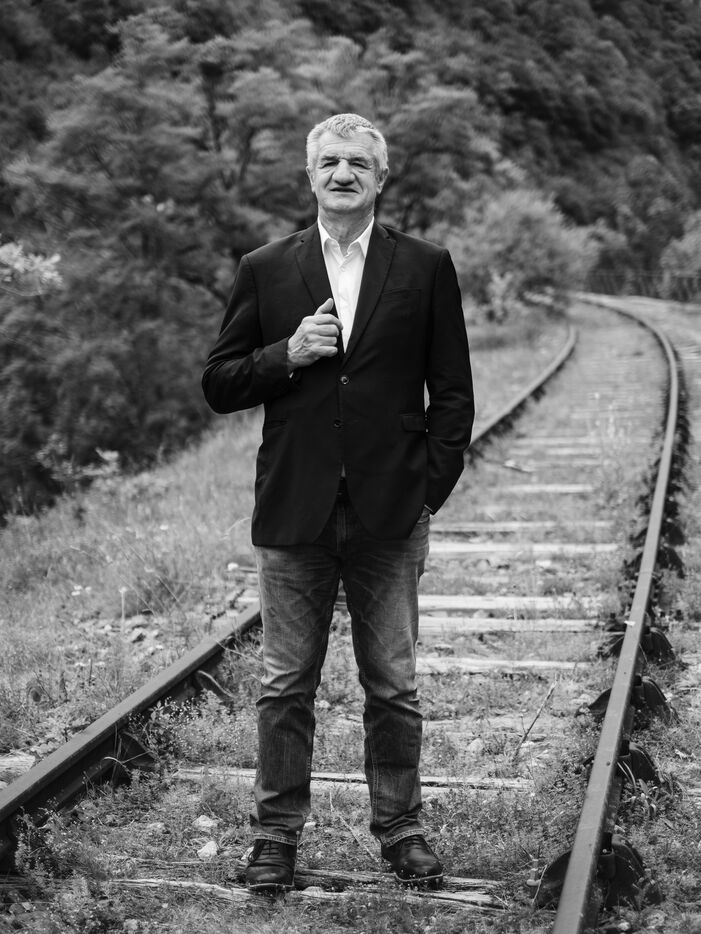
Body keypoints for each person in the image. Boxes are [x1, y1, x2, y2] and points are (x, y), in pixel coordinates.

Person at [202, 113, 474, 893]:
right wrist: (284, 355)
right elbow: (219, 383)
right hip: (296, 508)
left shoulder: (424, 266)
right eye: (329, 162)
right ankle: (274, 838)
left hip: (390, 510)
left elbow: (452, 392)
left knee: (393, 686)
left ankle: (401, 830)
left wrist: (426, 490)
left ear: (380, 178)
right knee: (285, 686)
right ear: (310, 175)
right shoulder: (265, 267)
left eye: (357, 162)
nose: (342, 173)